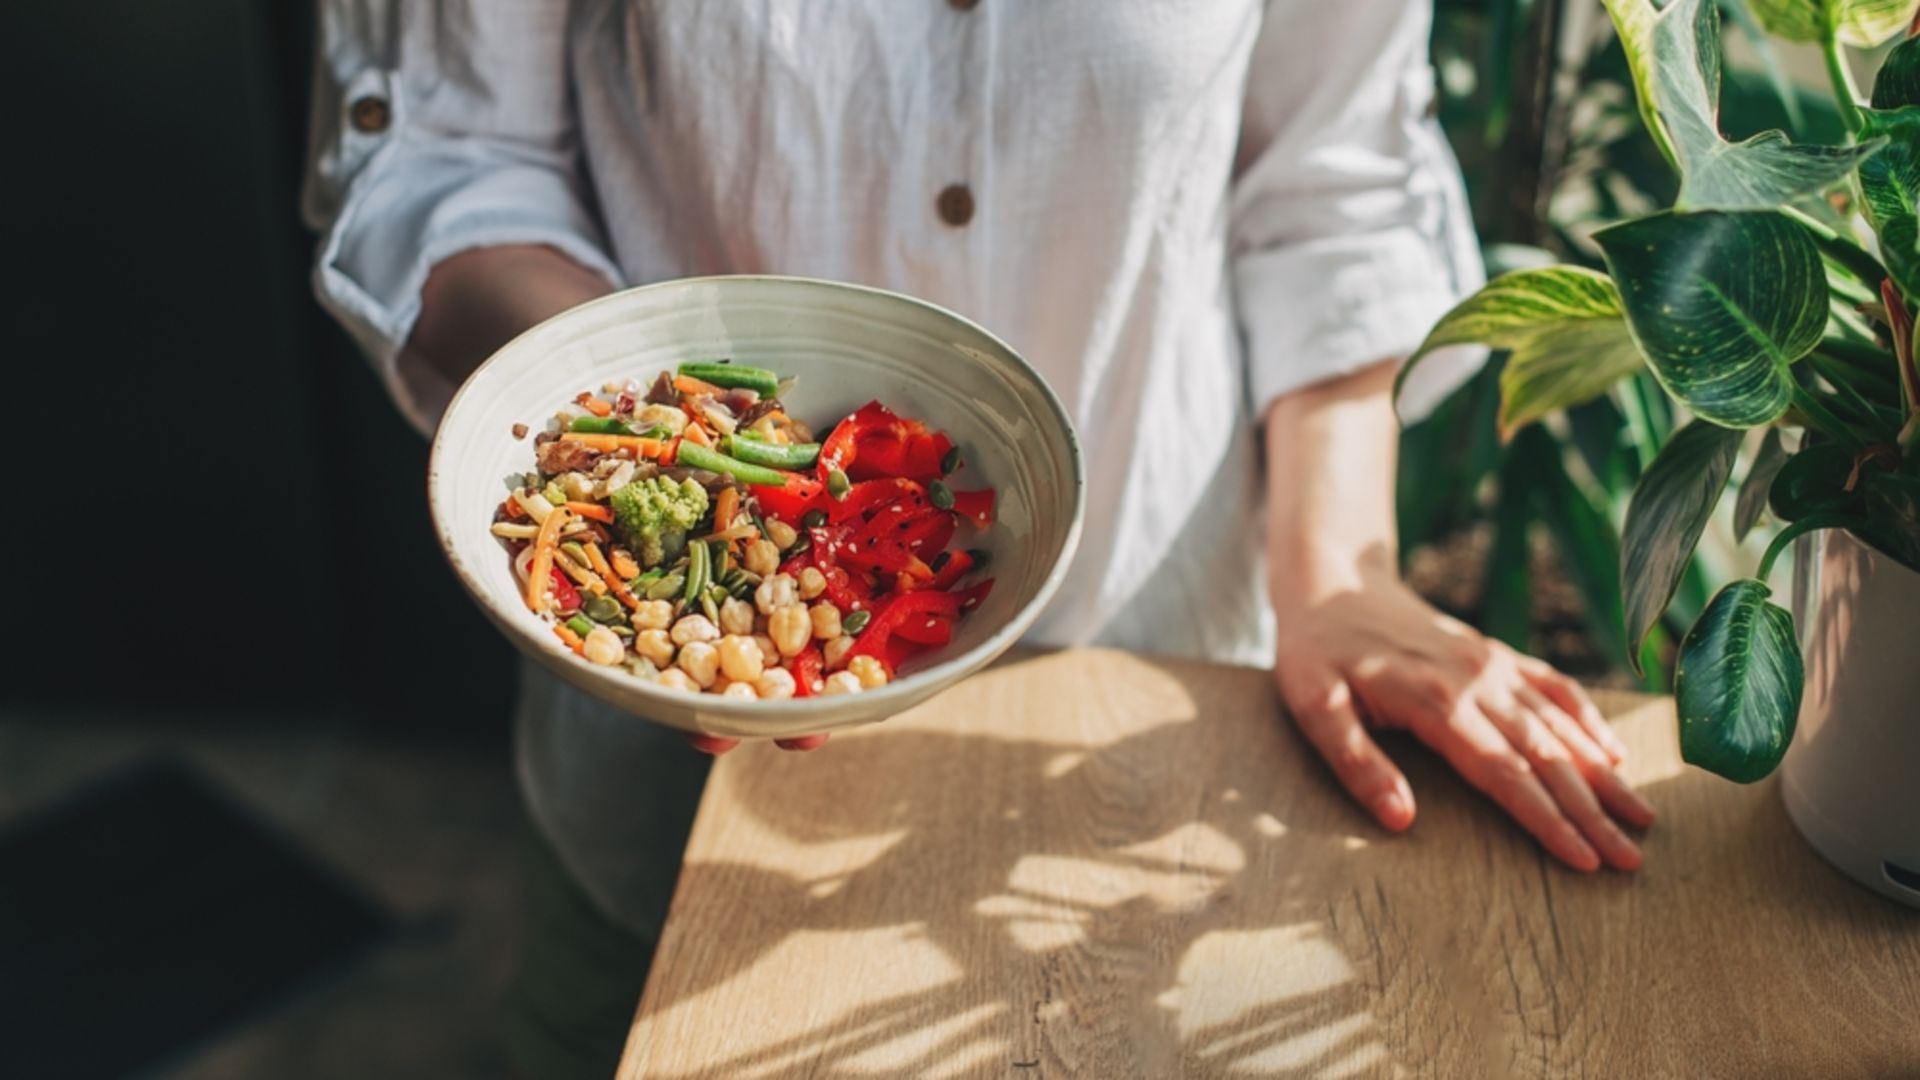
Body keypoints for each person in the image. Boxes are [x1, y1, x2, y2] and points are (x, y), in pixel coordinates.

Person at [305, 2, 1656, 1074]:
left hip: (1159, 685)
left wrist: (1342, 577)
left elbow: (1330, 178)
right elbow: (446, 152)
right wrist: (674, 449)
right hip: (671, 771)